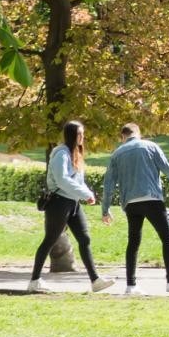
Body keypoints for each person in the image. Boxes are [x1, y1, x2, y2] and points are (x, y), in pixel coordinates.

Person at [101, 123, 169, 295]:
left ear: (123, 136)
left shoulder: (117, 154)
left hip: (130, 203)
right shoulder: (150, 146)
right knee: (167, 239)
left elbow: (108, 185)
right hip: (152, 198)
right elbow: (167, 168)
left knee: (133, 242)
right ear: (138, 133)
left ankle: (131, 285)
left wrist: (105, 210)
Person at [28, 120, 115, 294]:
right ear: (71, 135)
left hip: (73, 202)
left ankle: (95, 280)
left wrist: (86, 193)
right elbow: (62, 179)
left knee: (84, 239)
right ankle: (35, 280)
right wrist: (85, 194)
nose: (82, 137)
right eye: (79, 134)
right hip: (59, 202)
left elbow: (77, 180)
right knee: (50, 240)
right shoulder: (61, 154)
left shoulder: (75, 153)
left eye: (83, 134)